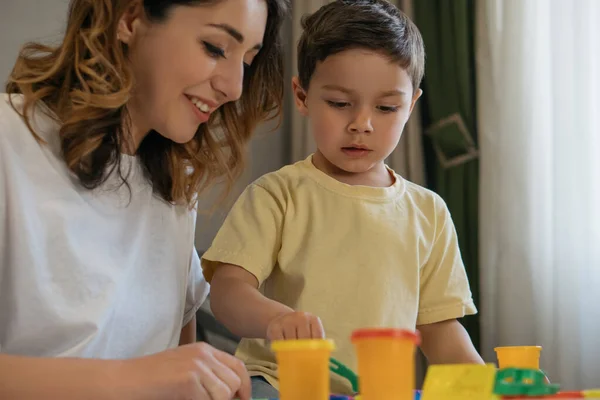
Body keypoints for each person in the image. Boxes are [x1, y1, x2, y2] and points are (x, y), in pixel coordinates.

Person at [0, 0, 289, 398]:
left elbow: (182, 366)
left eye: (247, 61)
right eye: (216, 48)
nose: (234, 87)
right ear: (130, 19)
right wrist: (133, 379)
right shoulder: (9, 142)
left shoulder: (175, 185)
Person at [202, 0, 485, 397]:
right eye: (339, 104)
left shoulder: (429, 213)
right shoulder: (278, 195)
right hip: (282, 383)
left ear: (411, 106)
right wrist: (275, 319)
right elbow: (227, 292)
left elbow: (442, 332)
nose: (362, 124)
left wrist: (491, 388)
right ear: (302, 96)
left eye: (387, 107)